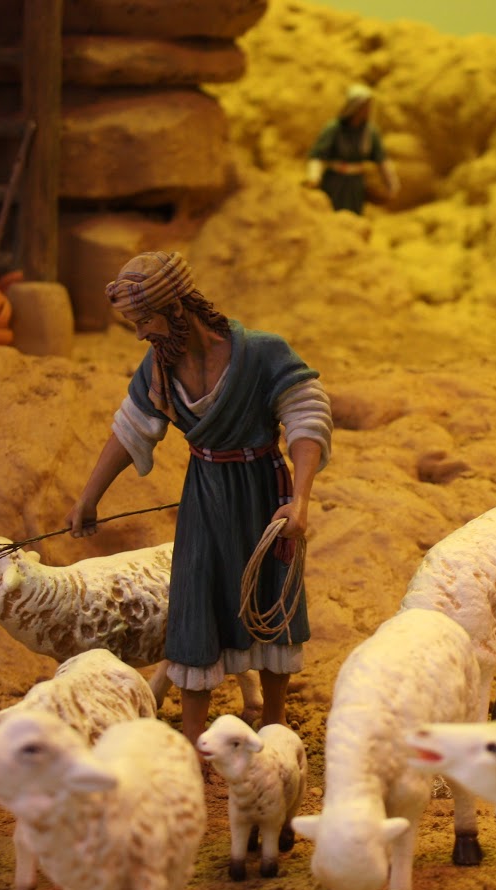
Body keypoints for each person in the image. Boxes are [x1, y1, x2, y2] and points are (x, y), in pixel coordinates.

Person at [67, 251, 333, 743]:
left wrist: (299, 500)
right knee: (195, 602)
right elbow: (131, 429)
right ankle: (190, 743)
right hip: (205, 498)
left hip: (264, 491)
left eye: (145, 321)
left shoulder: (262, 353)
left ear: (176, 309)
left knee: (271, 594)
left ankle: (274, 725)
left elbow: (305, 416)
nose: (141, 334)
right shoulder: (159, 369)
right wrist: (89, 497)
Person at [305, 83, 400, 214]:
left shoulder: (369, 132)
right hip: (335, 182)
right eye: (364, 106)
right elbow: (318, 156)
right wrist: (314, 177)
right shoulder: (334, 129)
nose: (367, 110)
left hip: (355, 185)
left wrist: (392, 184)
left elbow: (382, 160)